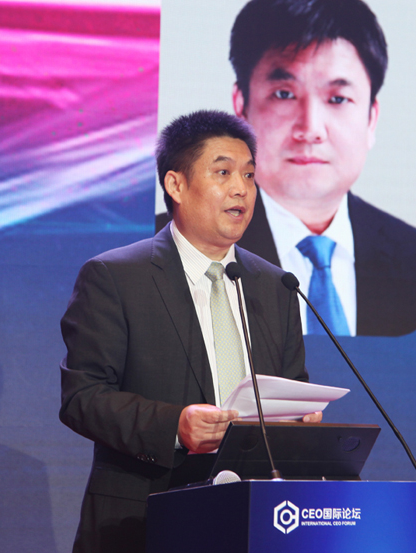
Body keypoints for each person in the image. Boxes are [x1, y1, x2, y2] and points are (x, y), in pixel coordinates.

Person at [60, 110, 320, 553]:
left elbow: (290, 387)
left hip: (254, 520)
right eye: (223, 172)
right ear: (175, 185)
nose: (241, 189)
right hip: (144, 518)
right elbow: (83, 398)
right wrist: (174, 428)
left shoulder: (276, 286)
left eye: (249, 175)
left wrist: (299, 421)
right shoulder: (116, 277)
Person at [157, 0, 416, 337]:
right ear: (241, 107)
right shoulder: (168, 245)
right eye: (284, 94)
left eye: (337, 99)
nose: (310, 128)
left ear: (371, 118)